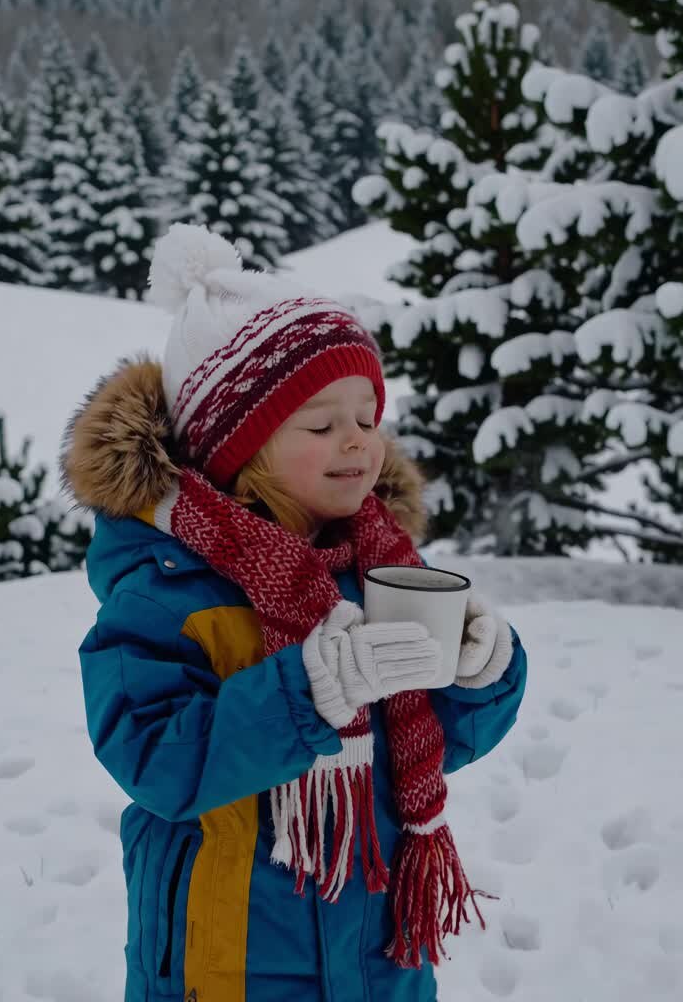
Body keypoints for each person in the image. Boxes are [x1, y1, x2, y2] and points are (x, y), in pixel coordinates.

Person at [63, 223, 527, 1002]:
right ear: (235, 451)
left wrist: (482, 672)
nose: (358, 442)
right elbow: (156, 761)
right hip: (229, 963)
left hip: (380, 956)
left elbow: (432, 742)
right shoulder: (165, 594)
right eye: (321, 424)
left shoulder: (379, 571)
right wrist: (309, 692)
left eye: (367, 416)